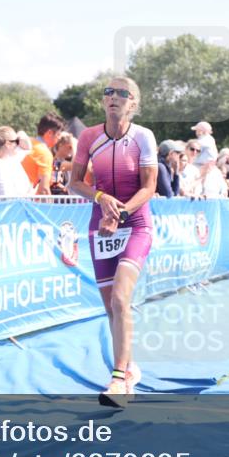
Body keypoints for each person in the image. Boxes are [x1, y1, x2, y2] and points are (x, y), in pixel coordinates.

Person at [67, 76, 157, 408]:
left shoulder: (143, 137)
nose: (114, 97)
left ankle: (119, 380)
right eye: (109, 92)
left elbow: (149, 187)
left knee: (121, 298)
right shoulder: (89, 137)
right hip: (101, 221)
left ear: (133, 104)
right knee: (109, 307)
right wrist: (102, 197)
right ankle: (130, 366)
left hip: (134, 222)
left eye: (123, 93)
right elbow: (74, 182)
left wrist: (120, 211)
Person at [0, 126, 35, 200]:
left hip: (19, 208)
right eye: (17, 142)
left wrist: (19, 135)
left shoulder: (12, 160)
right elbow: (7, 197)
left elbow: (28, 148)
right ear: (8, 144)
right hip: (11, 210)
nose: (19, 144)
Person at [22, 112, 65, 195]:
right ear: (49, 133)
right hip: (30, 202)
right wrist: (50, 206)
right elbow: (44, 189)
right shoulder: (45, 153)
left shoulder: (28, 142)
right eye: (58, 134)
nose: (59, 138)